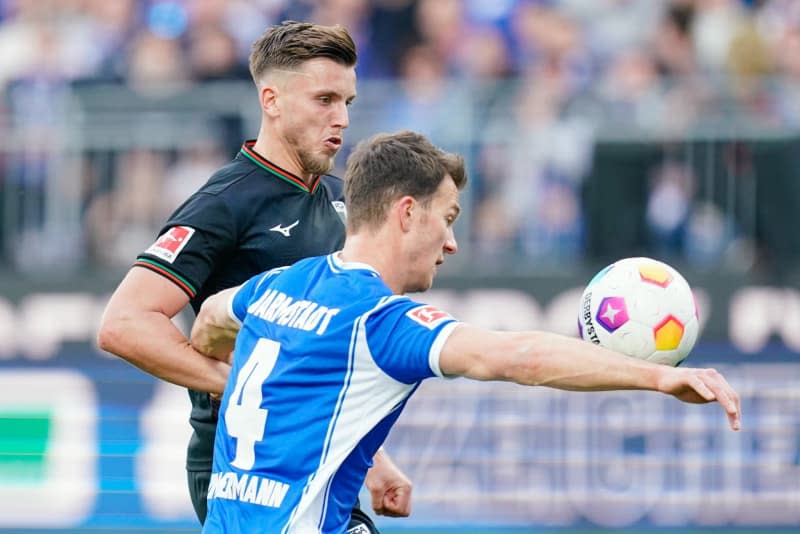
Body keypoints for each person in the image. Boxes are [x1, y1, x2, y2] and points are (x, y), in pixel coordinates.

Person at [190, 130, 742, 533]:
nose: (451, 243)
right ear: (406, 213)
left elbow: (211, 319)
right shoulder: (380, 322)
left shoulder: (274, 287)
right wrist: (659, 379)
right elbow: (517, 355)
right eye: (448, 217)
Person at [96, 21, 411, 531]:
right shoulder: (226, 201)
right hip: (246, 472)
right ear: (272, 100)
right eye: (325, 99)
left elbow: (325, 353)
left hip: (324, 465)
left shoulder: (338, 200)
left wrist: (372, 458)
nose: (342, 118)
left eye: (348, 101)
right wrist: (240, 383)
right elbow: (124, 323)